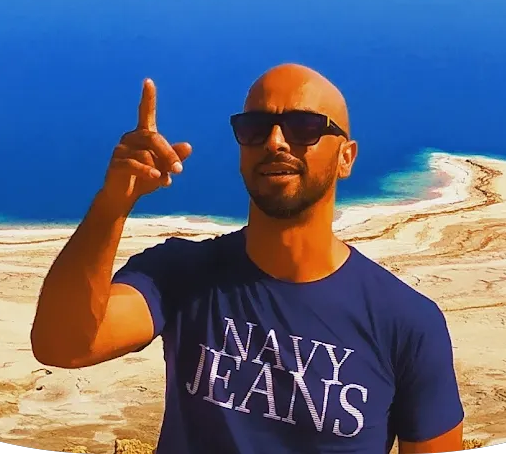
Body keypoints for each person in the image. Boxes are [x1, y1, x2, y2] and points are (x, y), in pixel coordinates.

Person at [31, 63, 466, 453]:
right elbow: (64, 346)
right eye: (255, 127)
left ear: (345, 158)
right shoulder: (180, 273)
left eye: (304, 126)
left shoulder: (407, 324)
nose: (275, 141)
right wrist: (113, 204)